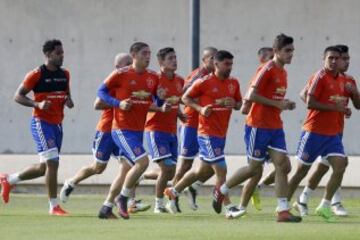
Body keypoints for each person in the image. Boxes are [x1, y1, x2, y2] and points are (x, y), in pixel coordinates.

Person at [214, 34, 302, 222]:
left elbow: (273, 98)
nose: (291, 54)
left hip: (275, 126)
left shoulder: (283, 72)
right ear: (276, 51)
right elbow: (251, 95)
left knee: (283, 165)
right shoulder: (267, 69)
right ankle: (222, 190)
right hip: (258, 126)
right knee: (254, 169)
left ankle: (283, 210)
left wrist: (284, 103)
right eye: (287, 51)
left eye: (292, 51)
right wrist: (277, 105)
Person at [164, 50, 242, 218]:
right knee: (221, 169)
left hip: (221, 134)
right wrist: (200, 109)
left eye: (231, 64)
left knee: (201, 171)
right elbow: (185, 97)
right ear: (216, 64)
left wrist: (234, 103)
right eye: (226, 64)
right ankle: (229, 208)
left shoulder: (233, 83)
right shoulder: (204, 81)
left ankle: (174, 190)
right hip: (206, 133)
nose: (229, 67)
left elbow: (240, 104)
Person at [0, 39, 74, 216]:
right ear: (48, 54)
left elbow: (67, 96)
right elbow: (18, 96)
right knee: (53, 163)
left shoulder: (65, 74)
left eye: (62, 52)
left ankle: (9, 180)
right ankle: (54, 206)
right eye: (58, 53)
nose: (62, 56)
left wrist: (69, 101)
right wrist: (37, 104)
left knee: (44, 168)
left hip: (58, 124)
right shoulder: (36, 74)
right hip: (41, 123)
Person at [96, 42, 165, 219]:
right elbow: (101, 92)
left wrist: (161, 98)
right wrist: (118, 104)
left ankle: (106, 207)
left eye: (149, 53)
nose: (148, 57)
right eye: (144, 53)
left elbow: (155, 100)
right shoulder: (121, 74)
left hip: (137, 131)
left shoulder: (153, 76)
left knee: (125, 170)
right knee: (143, 162)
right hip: (121, 129)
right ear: (133, 55)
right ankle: (123, 198)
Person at [291, 45, 360, 221]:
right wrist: (332, 108)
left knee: (336, 165)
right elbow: (304, 96)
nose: (342, 62)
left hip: (335, 132)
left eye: (345, 59)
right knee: (305, 170)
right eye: (339, 58)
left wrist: (353, 98)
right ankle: (289, 202)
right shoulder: (321, 76)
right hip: (315, 131)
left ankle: (327, 203)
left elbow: (357, 105)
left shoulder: (349, 81)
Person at [176, 47, 217, 211]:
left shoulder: (218, 77)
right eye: (212, 57)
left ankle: (194, 186)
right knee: (186, 165)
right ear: (204, 60)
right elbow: (182, 96)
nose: (215, 61)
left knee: (214, 165)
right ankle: (173, 198)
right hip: (191, 123)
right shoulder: (198, 75)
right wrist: (199, 107)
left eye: (217, 57)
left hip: (207, 126)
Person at [144, 47, 184, 213]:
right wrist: (159, 103)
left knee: (171, 171)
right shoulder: (153, 80)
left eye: (175, 57)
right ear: (161, 62)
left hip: (172, 131)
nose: (174, 61)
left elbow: (175, 102)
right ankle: (159, 205)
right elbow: (145, 105)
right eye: (170, 58)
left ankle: (142, 175)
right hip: (155, 129)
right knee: (167, 169)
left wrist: (181, 115)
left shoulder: (180, 80)